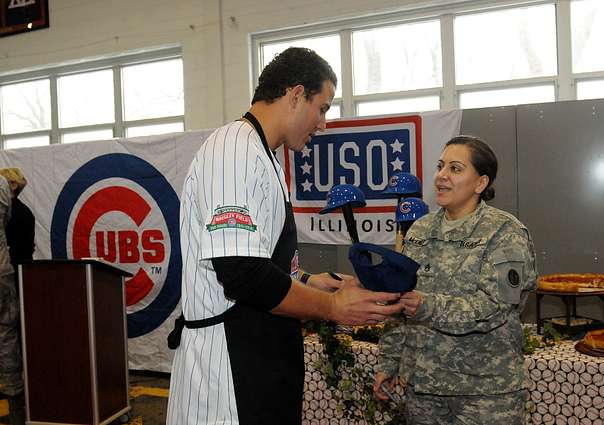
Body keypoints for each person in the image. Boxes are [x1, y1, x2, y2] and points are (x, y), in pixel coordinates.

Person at [167, 47, 403, 425]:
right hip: (227, 373)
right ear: (296, 95)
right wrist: (333, 308)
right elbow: (242, 273)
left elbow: (260, 258)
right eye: (322, 108)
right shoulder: (234, 150)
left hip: (259, 354)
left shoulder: (265, 155)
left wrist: (310, 282)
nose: (323, 124)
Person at [374, 136, 537, 425]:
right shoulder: (420, 230)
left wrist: (427, 306)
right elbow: (400, 301)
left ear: (480, 183)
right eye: (440, 166)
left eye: (456, 168)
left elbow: (496, 307)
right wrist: (389, 361)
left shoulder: (505, 233)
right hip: (423, 390)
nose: (441, 176)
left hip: (486, 394)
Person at [0, 175, 25, 425]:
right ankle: (16, 408)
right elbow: (6, 220)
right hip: (2, 273)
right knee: (7, 336)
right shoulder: (1, 185)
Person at [0, 168, 35, 294]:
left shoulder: (20, 213)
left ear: (13, 186)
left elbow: (24, 249)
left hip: (15, 275)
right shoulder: (20, 211)